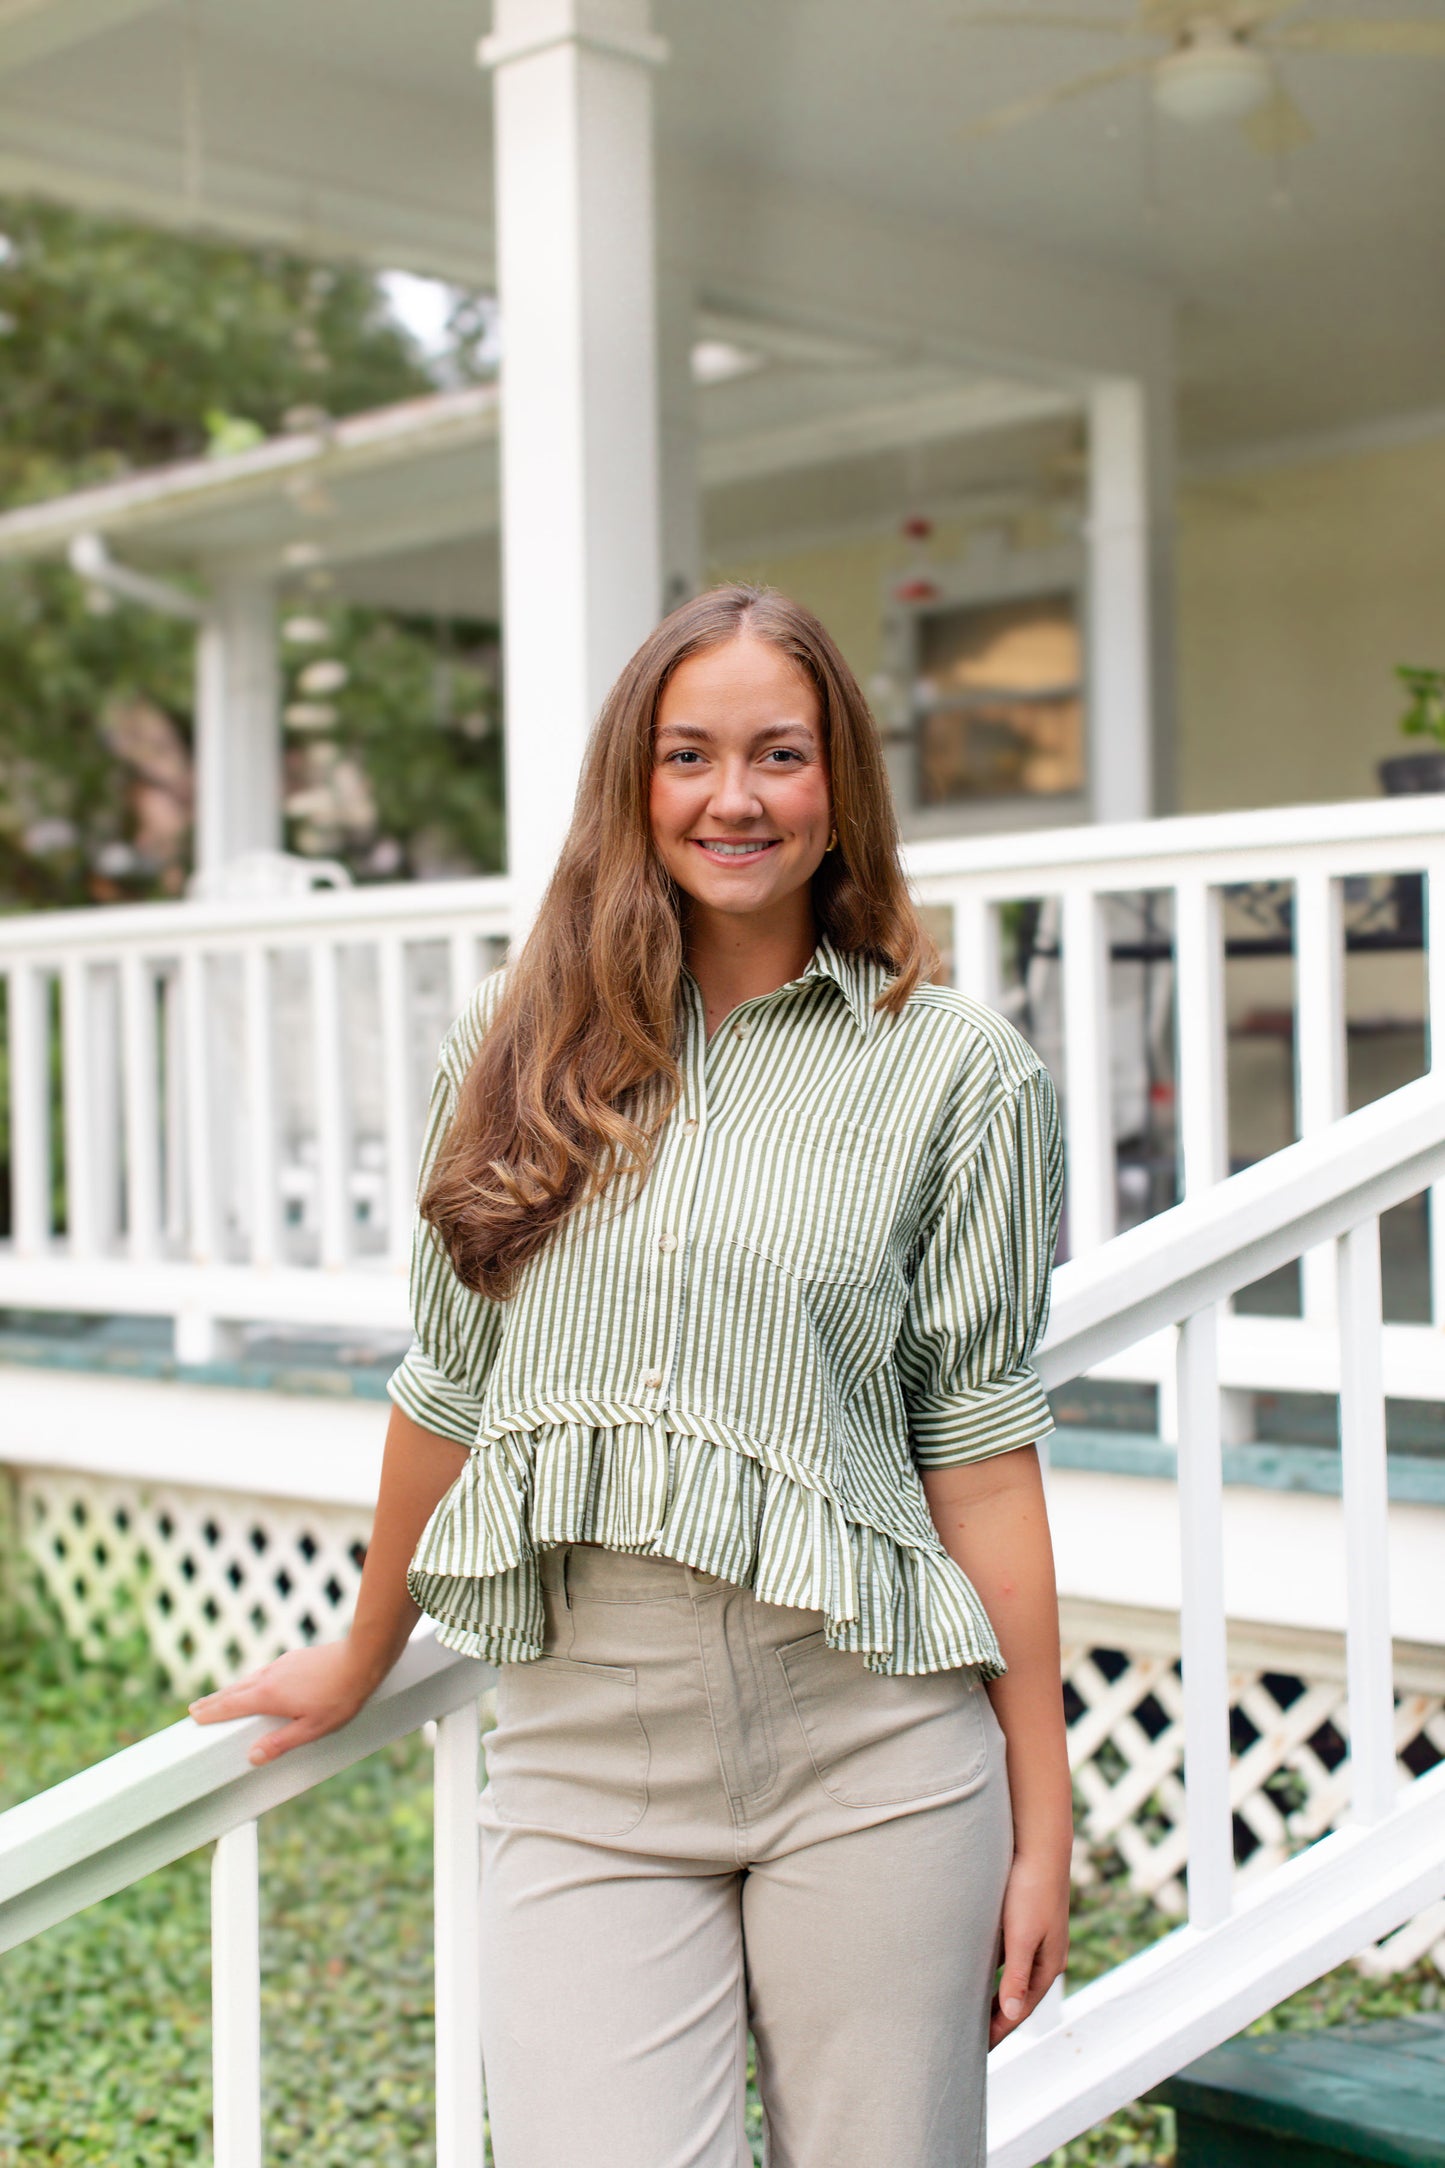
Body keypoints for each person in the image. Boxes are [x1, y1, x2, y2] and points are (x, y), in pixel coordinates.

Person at [190, 584, 1072, 2168]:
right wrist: (355, 1651)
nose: (732, 798)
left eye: (778, 755)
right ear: (634, 782)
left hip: (872, 1740)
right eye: (688, 755)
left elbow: (980, 1452)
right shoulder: (516, 1039)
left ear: (838, 785)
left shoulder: (960, 1074)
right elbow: (447, 1386)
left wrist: (1041, 1825)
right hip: (586, 1748)